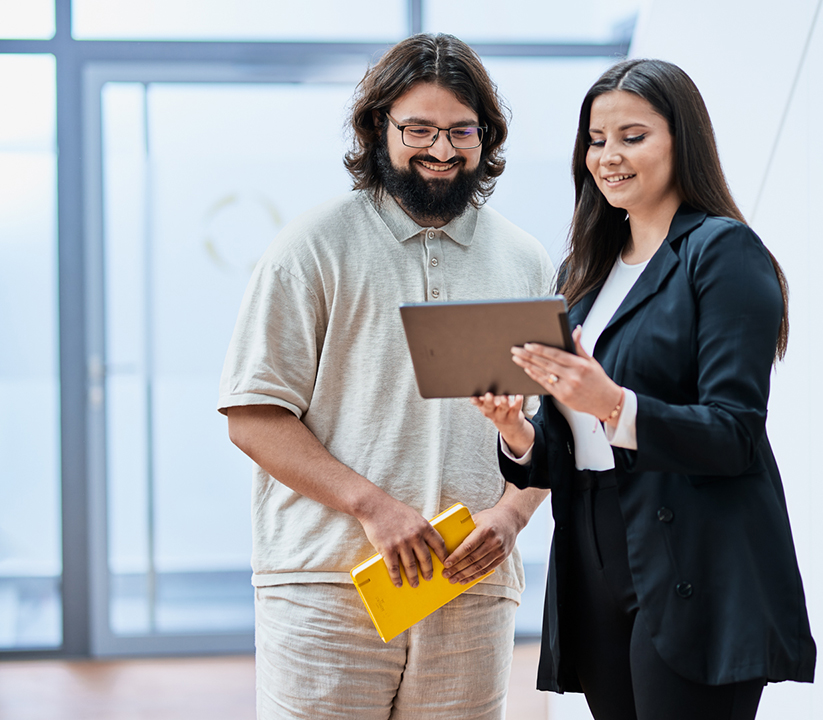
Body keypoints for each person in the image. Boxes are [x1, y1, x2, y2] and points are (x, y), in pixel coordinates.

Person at [217, 33, 555, 720]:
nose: (442, 149)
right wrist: (374, 507)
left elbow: (557, 424)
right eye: (419, 129)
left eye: (462, 130)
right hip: (325, 589)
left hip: (472, 587)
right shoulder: (308, 249)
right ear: (379, 129)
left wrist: (513, 516)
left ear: (486, 136)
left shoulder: (524, 259)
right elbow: (254, 417)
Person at [471, 58, 816, 720]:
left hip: (697, 553)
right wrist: (518, 434)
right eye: (596, 140)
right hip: (595, 544)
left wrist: (612, 403)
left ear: (682, 141)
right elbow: (573, 442)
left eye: (633, 136)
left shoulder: (723, 253)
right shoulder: (585, 269)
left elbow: (734, 433)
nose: (608, 157)